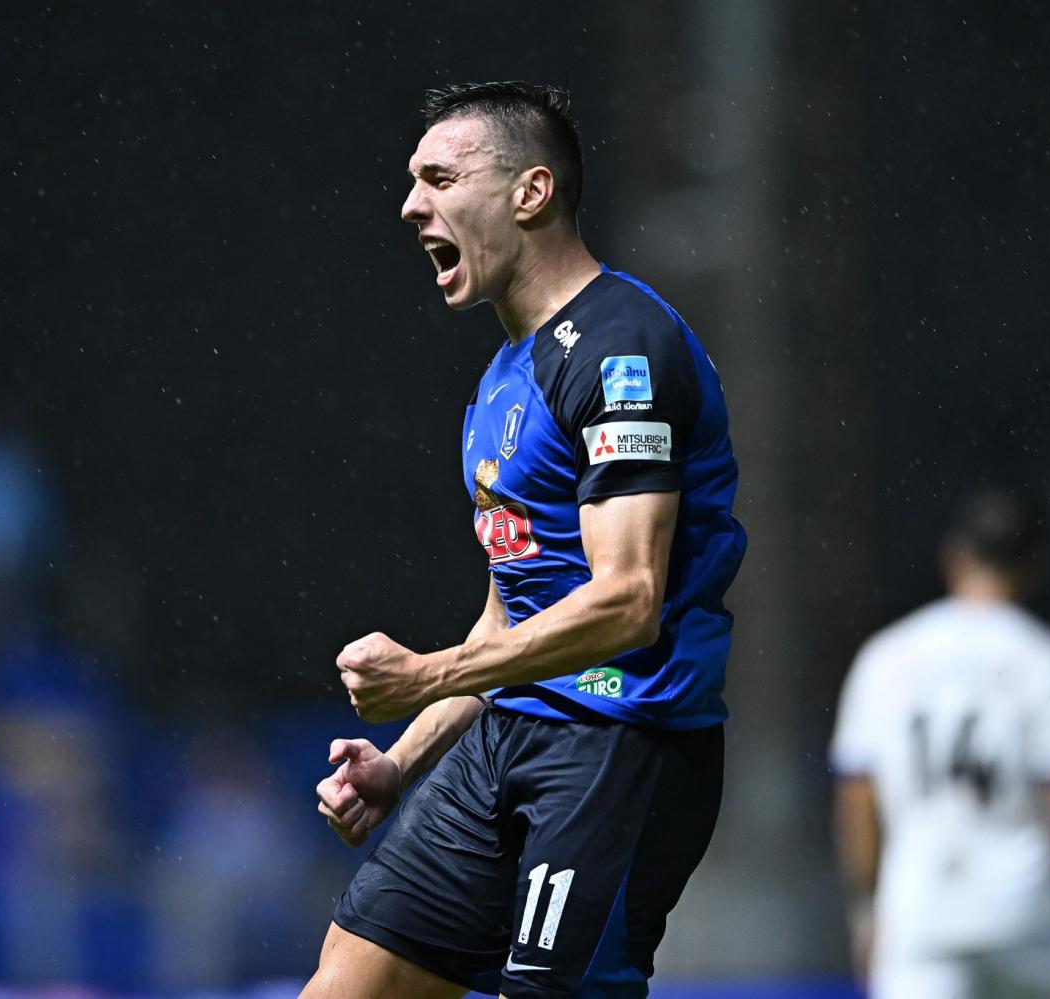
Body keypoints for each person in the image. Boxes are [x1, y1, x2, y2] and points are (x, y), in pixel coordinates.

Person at [302, 82, 747, 999]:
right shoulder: (508, 374)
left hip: (622, 745)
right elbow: (517, 606)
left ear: (530, 193)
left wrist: (425, 674)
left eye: (439, 177)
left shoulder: (624, 350)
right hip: (511, 733)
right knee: (347, 983)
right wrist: (403, 758)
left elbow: (627, 600)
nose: (411, 203)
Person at [830, 489, 1050, 999]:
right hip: (1028, 917)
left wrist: (866, 910)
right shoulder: (1046, 660)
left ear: (954, 556)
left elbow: (857, 798)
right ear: (1034, 563)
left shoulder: (886, 657)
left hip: (923, 912)